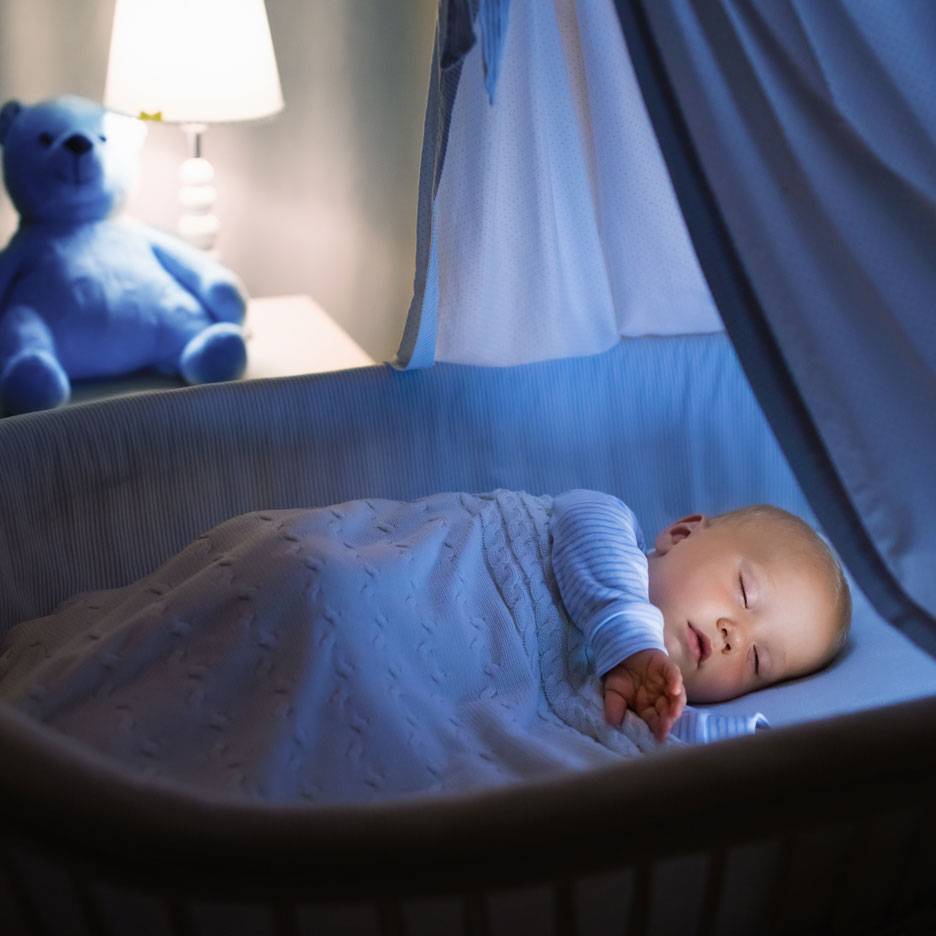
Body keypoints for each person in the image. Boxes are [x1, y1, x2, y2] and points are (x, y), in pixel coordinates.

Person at [550, 491, 851, 742]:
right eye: (745, 593)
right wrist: (628, 634)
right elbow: (580, 514)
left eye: (757, 659)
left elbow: (670, 740)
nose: (736, 637)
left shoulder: (642, 701)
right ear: (682, 535)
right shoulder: (609, 530)